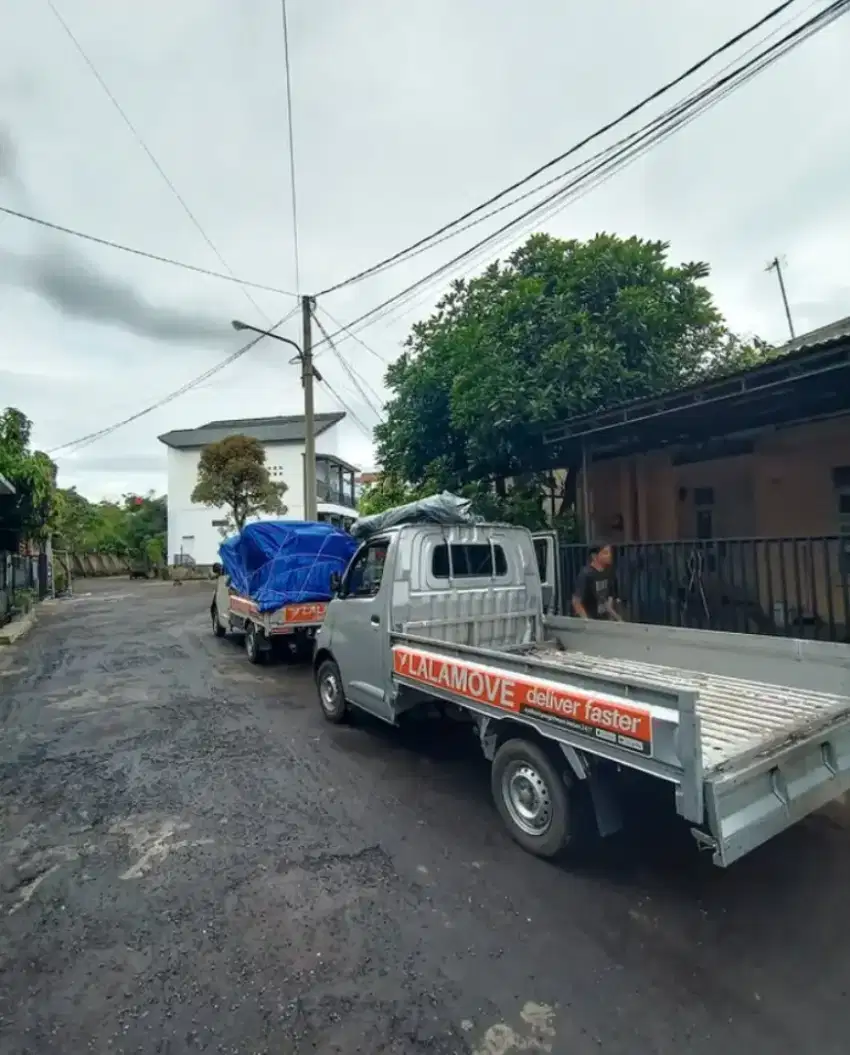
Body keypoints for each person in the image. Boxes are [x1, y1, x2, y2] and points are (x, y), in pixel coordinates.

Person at [572, 542, 622, 621]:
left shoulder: (608, 573)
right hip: (590, 621)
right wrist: (587, 621)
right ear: (594, 556)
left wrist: (617, 619)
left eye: (610, 553)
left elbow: (606, 601)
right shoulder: (586, 574)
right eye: (605, 553)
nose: (609, 556)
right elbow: (576, 601)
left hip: (602, 620)